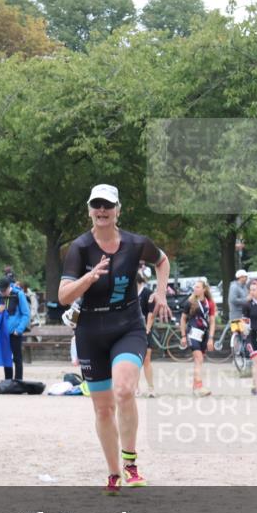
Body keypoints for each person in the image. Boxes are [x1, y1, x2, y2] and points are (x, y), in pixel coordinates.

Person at [58, 183, 171, 495]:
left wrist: (160, 294)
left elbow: (162, 261)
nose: (102, 211)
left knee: (123, 389)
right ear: (89, 210)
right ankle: (113, 473)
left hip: (127, 327)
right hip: (91, 332)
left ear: (118, 210)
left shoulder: (136, 244)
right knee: (103, 409)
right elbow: (64, 296)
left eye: (108, 205)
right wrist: (89, 277)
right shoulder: (79, 249)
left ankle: (131, 462)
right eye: (97, 205)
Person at [180, 280, 217, 397]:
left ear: (204, 289)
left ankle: (195, 388)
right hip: (192, 333)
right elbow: (183, 319)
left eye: (197, 287)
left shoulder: (210, 303)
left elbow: (212, 322)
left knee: (198, 361)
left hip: (203, 334)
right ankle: (200, 386)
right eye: (194, 287)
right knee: (199, 358)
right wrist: (183, 336)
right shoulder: (190, 302)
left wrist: (211, 338)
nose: (195, 289)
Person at [0, 275, 30, 381]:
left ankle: (18, 380)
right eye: (0, 291)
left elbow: (26, 314)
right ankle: (8, 380)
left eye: (3, 291)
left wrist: (19, 329)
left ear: (8, 287)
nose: (2, 293)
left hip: (15, 333)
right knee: (6, 358)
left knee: (17, 358)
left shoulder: (19, 294)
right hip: (4, 333)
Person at [137, 272, 156, 397]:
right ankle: (135, 388)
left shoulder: (147, 293)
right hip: (132, 330)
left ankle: (151, 388)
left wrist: (147, 329)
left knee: (147, 360)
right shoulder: (129, 294)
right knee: (134, 361)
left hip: (145, 329)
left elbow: (151, 313)